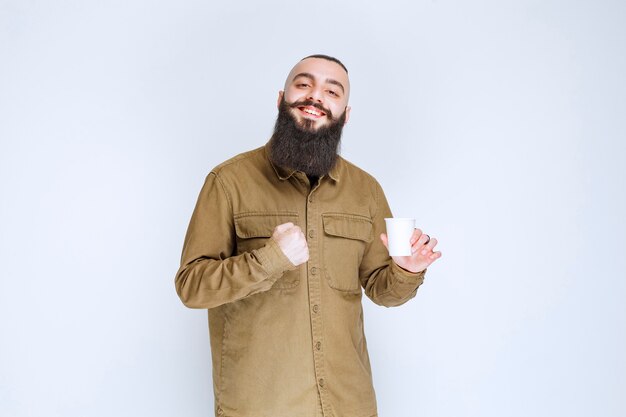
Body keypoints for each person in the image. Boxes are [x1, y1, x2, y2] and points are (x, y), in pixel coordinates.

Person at [175, 54, 442, 417]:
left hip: (349, 403)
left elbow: (383, 292)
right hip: (262, 404)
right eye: (304, 84)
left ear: (345, 114)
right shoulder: (228, 182)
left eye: (332, 91)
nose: (315, 96)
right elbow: (192, 287)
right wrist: (270, 259)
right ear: (281, 99)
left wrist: (406, 271)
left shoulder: (366, 190)